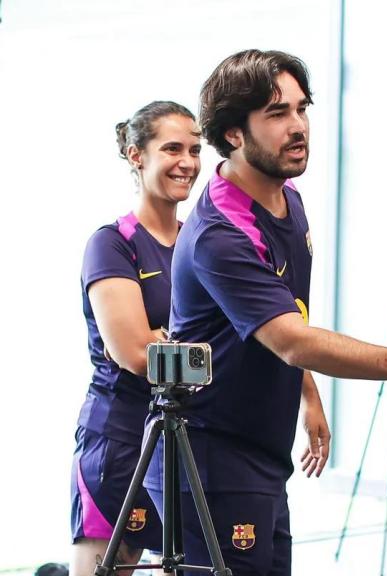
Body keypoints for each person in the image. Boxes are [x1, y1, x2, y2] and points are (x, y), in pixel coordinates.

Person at [144, 49, 387, 575]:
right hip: (207, 458)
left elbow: (282, 315)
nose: (299, 126)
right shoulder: (221, 234)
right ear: (234, 132)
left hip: (260, 452)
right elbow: (292, 339)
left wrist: (306, 392)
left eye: (303, 109)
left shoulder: (287, 199)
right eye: (278, 115)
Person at [71, 101, 201, 575]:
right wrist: (184, 344)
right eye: (172, 148)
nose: (187, 161)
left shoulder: (199, 243)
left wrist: (164, 340)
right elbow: (133, 353)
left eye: (194, 148)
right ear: (136, 155)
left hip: (189, 439)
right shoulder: (113, 243)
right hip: (122, 438)